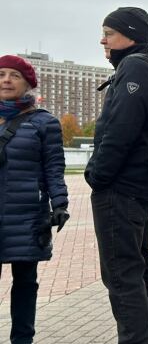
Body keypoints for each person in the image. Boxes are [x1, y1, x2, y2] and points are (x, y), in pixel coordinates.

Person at [85, 7, 148, 343]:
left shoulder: (135, 68)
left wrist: (97, 176)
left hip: (121, 191)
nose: (102, 40)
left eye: (109, 32)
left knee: (122, 275)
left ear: (131, 34)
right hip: (142, 188)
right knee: (139, 267)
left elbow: (119, 132)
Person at [0, 55, 69, 344]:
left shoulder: (44, 122)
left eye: (14, 75)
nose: (6, 80)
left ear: (28, 82)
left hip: (26, 215)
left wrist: (60, 203)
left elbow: (54, 167)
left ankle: (22, 339)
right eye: (1, 74)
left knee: (25, 283)